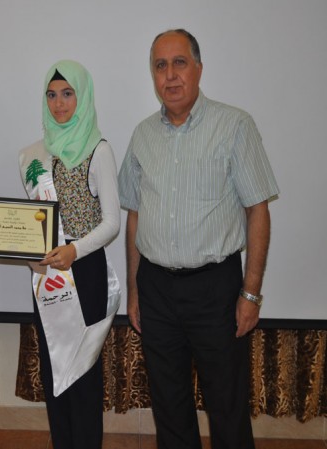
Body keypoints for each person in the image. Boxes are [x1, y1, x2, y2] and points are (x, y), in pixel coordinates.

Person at [118, 29, 279, 449]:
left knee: (227, 406)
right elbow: (134, 215)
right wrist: (134, 290)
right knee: (169, 408)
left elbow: (258, 210)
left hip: (215, 290)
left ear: (199, 68)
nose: (170, 75)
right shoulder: (142, 135)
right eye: (160, 66)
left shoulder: (234, 125)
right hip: (155, 288)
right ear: (152, 75)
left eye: (180, 63)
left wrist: (251, 293)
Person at [19, 60, 120, 449]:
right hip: (47, 273)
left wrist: (74, 250)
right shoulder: (36, 155)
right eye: (51, 95)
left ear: (83, 97)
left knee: (83, 371)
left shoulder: (99, 150)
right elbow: (35, 221)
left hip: (85, 270)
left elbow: (111, 223)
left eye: (67, 94)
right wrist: (29, 252)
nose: (59, 103)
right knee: (53, 368)